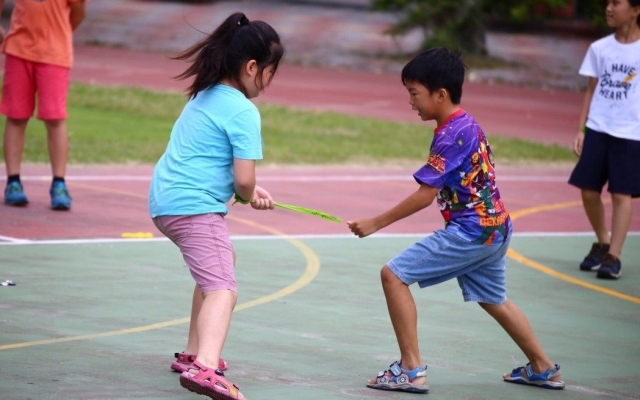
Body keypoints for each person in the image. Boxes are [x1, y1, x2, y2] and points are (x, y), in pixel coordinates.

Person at [347, 47, 564, 394]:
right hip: (497, 228)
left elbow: (424, 194)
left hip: (471, 232)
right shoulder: (467, 123)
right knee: (494, 299)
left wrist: (375, 222)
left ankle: (411, 369)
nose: (411, 102)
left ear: (440, 94)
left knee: (393, 275)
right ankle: (542, 367)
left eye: (414, 94)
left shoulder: (449, 135)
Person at [148, 12, 284, 400]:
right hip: (192, 206)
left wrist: (248, 191)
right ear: (253, 67)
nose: (270, 81)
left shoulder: (204, 94)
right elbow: (243, 180)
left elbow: (223, 168)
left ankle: (193, 351)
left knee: (220, 265)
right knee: (223, 288)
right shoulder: (243, 111)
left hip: (166, 201)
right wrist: (247, 191)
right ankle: (206, 367)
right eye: (271, 72)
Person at [569, 0, 640, 280]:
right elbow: (590, 90)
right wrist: (581, 129)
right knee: (588, 190)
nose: (609, 8)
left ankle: (614, 256)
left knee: (621, 194)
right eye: (608, 3)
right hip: (598, 127)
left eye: (616, 3)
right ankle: (603, 240)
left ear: (636, 10)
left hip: (630, 132)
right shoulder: (600, 48)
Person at [0, 0, 87, 210]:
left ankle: (59, 183)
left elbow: (78, 13)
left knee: (55, 118)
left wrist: (58, 35)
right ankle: (13, 182)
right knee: (16, 116)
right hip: (18, 50)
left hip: (55, 55)